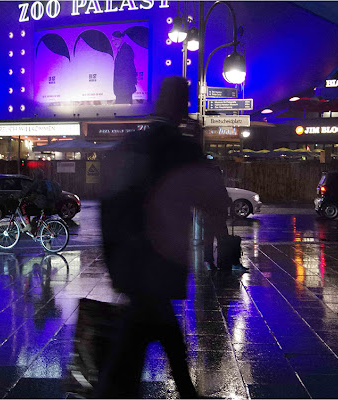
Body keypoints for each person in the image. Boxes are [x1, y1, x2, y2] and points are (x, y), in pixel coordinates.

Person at [97, 76, 229, 398]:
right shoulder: (181, 149)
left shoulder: (129, 144)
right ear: (182, 107)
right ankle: (176, 390)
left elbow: (109, 203)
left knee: (151, 329)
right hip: (161, 258)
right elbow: (215, 199)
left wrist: (112, 257)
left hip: (129, 260)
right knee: (147, 331)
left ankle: (175, 389)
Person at [20, 168, 49, 233]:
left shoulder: (37, 181)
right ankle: (47, 241)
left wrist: (21, 195)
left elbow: (29, 190)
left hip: (41, 203)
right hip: (48, 203)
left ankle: (28, 225)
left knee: (23, 206)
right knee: (39, 220)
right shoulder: (45, 181)